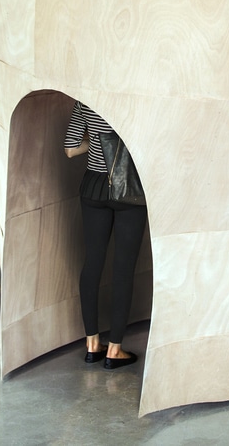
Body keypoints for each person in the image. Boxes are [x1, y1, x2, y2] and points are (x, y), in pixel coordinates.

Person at [63, 100, 148, 370]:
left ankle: (92, 345)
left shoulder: (84, 101)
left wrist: (97, 141)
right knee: (123, 269)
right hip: (128, 188)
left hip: (93, 187)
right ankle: (114, 350)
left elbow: (70, 149)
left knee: (92, 264)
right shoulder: (134, 101)